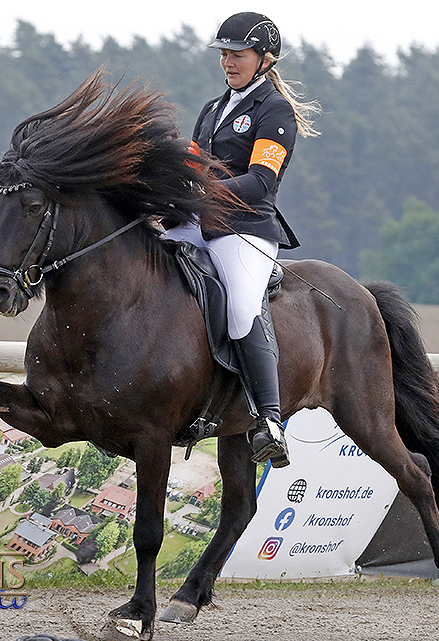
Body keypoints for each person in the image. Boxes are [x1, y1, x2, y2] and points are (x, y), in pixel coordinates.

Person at [163, 11, 319, 468]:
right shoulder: (212, 110)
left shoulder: (275, 111)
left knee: (242, 308)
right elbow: (190, 171)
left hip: (244, 228)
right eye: (224, 55)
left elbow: (261, 181)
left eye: (238, 54)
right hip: (197, 220)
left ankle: (268, 420)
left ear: (264, 58)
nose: (228, 62)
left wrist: (201, 192)